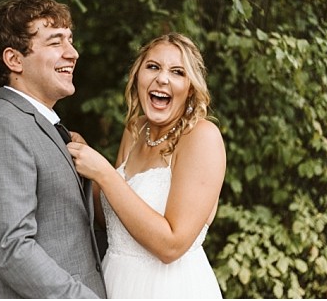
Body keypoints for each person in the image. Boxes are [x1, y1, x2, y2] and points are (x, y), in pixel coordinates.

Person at [0, 0, 106, 298]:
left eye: (70, 41)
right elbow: (11, 247)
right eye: (56, 43)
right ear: (14, 60)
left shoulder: (47, 127)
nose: (73, 53)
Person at [67, 33, 226, 298]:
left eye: (177, 72)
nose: (162, 78)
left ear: (190, 88)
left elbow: (171, 246)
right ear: (138, 75)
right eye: (153, 67)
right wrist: (87, 167)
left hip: (170, 288)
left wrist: (104, 173)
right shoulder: (136, 129)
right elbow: (115, 221)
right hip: (116, 282)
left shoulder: (201, 137)